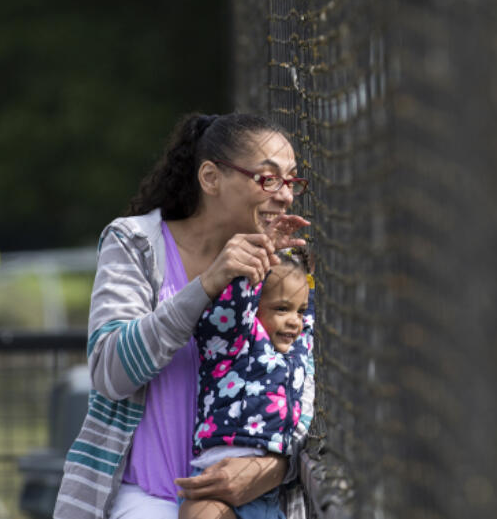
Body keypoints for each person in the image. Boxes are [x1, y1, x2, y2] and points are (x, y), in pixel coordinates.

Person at [54, 112, 313, 519]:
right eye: (268, 178)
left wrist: (271, 468)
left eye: (292, 180)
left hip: (250, 501)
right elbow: (110, 371)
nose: (285, 195)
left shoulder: (282, 266)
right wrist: (208, 284)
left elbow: (306, 388)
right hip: (144, 497)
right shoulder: (136, 243)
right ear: (210, 178)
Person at [180, 245, 315, 519]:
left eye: (299, 312)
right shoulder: (238, 343)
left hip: (267, 494)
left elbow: (307, 311)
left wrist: (305, 268)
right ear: (255, 308)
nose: (294, 321)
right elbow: (232, 308)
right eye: (281, 309)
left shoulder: (299, 352)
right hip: (215, 476)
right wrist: (262, 253)